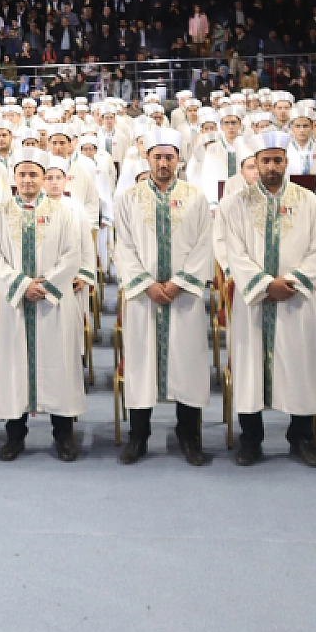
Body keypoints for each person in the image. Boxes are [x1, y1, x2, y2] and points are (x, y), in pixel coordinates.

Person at [215, 132, 316, 467]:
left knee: (300, 367)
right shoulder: (235, 203)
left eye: (277, 160)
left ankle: (302, 438)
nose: (270, 167)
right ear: (255, 164)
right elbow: (232, 250)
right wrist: (265, 285)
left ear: (286, 162)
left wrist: (290, 282)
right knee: (250, 370)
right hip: (254, 300)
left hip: (296, 299)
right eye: (264, 161)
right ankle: (251, 440)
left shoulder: (307, 200)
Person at [113, 131, 213, 465]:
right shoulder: (128, 198)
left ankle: (190, 435)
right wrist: (146, 284)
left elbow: (204, 245)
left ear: (178, 160)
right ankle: (138, 436)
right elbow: (122, 246)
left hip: (184, 298)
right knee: (142, 366)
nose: (163, 163)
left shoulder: (195, 197)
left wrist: (180, 283)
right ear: (148, 159)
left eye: (169, 157)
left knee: (187, 364)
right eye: (158, 157)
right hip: (144, 298)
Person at [0, 147, 86, 462]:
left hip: (53, 304)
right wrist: (22, 285)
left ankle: (63, 435)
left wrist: (46, 286)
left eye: (34, 174)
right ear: (14, 177)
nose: (28, 180)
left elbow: (73, 255)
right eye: (22, 174)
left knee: (59, 367)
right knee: (15, 369)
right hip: (16, 305)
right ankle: (15, 436)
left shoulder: (63, 212)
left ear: (43, 178)